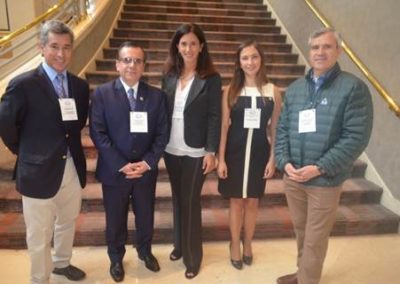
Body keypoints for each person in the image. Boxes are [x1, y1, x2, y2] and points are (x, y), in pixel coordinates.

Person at [274, 27, 373, 284]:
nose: (320, 52)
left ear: (338, 51)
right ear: (309, 52)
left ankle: (308, 280)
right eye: (315, 47)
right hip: (294, 177)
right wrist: (284, 163)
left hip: (324, 180)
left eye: (327, 47)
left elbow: (355, 138)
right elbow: (282, 129)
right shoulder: (296, 89)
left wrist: (319, 167)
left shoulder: (353, 88)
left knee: (315, 238)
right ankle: (302, 273)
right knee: (301, 232)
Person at [0, 20, 89, 283]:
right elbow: (6, 125)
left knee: (67, 221)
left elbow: (78, 122)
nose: (61, 54)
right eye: (54, 46)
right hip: (37, 170)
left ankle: (62, 263)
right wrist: (25, 151)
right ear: (41, 47)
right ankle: (39, 278)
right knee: (38, 233)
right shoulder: (23, 84)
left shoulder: (79, 86)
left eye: (66, 47)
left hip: (71, 167)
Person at [89, 41, 169, 282]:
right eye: (127, 60)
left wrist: (146, 163)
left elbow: (162, 133)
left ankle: (145, 252)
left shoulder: (156, 96)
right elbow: (97, 132)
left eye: (137, 60)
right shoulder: (102, 94)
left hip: (145, 172)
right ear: (117, 65)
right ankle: (116, 258)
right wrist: (121, 164)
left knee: (145, 215)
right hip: (114, 172)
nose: (132, 65)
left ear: (144, 66)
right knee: (115, 219)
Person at [161, 23, 221, 279]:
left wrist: (211, 151)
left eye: (193, 43)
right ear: (177, 46)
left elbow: (214, 116)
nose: (188, 48)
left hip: (197, 150)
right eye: (183, 43)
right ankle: (179, 245)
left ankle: (193, 256)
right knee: (177, 198)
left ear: (201, 47)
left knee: (190, 201)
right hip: (171, 147)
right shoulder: (169, 75)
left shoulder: (211, 78)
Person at [217, 41, 281, 270]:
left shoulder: (272, 91)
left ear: (260, 59)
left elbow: (274, 128)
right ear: (239, 62)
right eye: (245, 58)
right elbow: (224, 126)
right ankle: (234, 244)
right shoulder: (230, 90)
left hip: (258, 153)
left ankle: (248, 243)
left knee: (253, 201)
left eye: (254, 57)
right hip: (234, 152)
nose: (250, 62)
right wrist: (221, 158)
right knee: (236, 201)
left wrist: (273, 158)